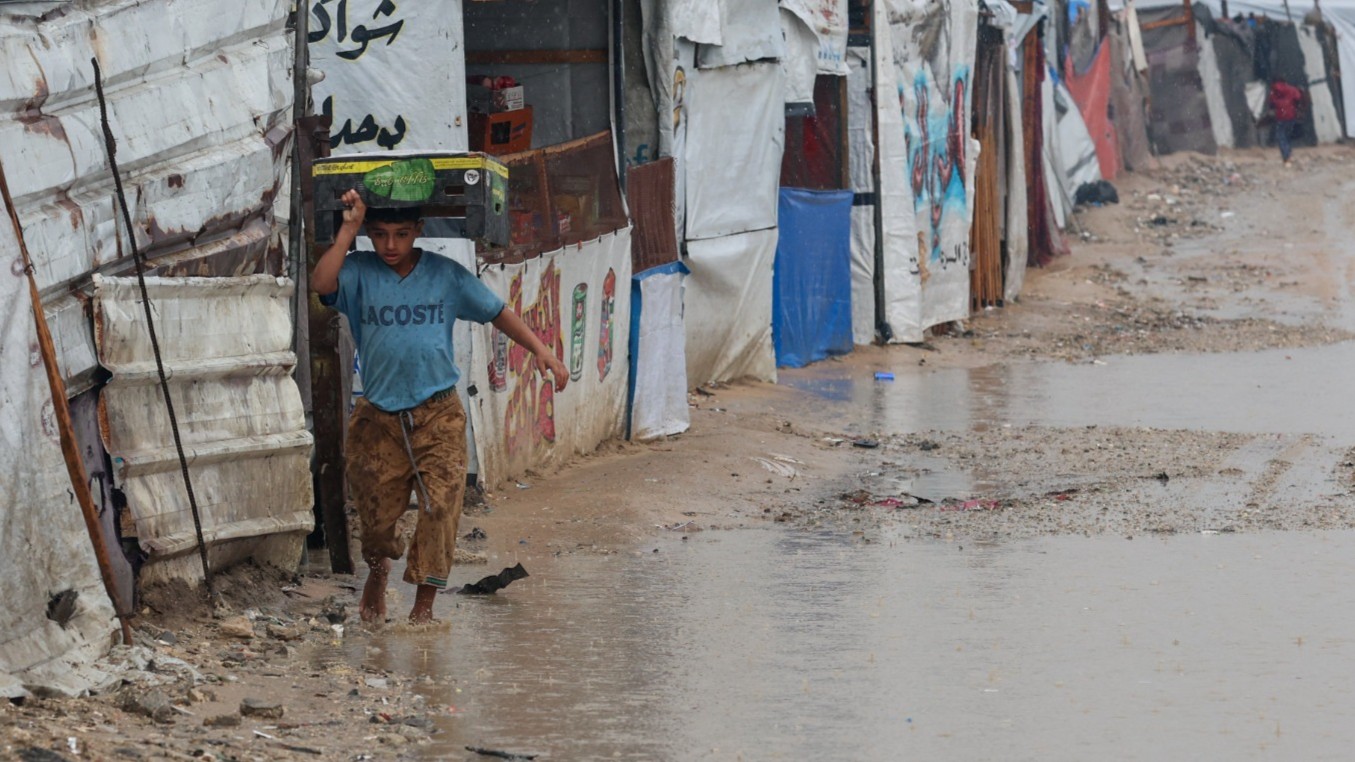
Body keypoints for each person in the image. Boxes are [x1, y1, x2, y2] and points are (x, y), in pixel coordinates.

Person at [313, 190, 568, 624]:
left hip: (438, 414)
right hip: (378, 418)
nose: (390, 245)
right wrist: (348, 230)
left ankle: (423, 610)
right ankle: (378, 570)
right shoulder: (357, 271)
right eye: (380, 234)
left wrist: (540, 350)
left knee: (441, 507)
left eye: (401, 234)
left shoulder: (446, 275)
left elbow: (496, 311)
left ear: (418, 231)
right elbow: (321, 284)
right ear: (369, 234)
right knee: (375, 519)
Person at [1267, 78, 1305, 165]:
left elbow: (1271, 104)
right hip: (1291, 115)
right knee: (1287, 136)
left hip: (1280, 116)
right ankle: (1288, 154)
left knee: (1281, 137)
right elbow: (1298, 98)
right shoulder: (1292, 89)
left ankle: (1286, 156)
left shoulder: (1273, 92)